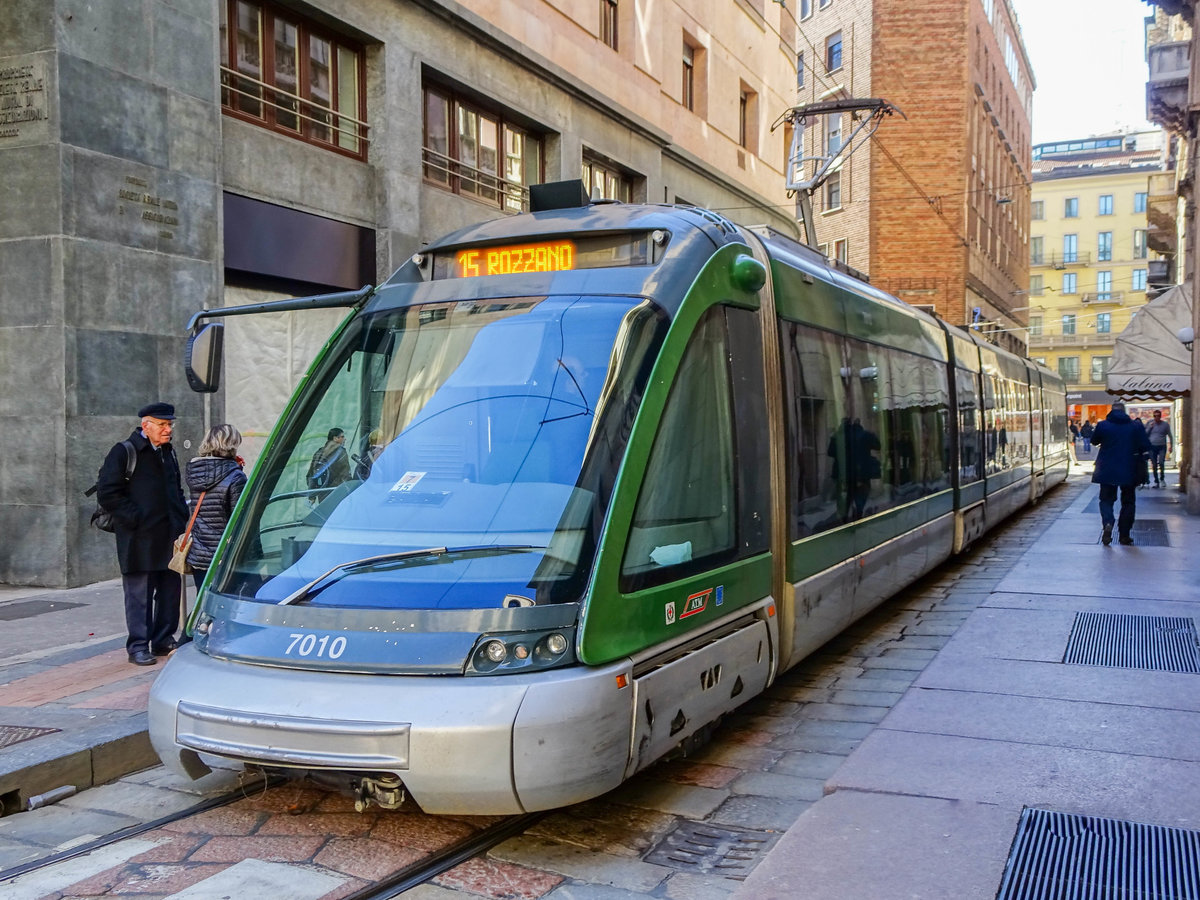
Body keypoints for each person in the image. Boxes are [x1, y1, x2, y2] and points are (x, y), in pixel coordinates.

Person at [96, 402, 189, 665]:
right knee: (140, 594)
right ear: (145, 425)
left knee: (170, 591)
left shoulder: (167, 452)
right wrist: (135, 518)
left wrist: (182, 519)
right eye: (162, 425)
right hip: (139, 538)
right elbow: (108, 493)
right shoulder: (125, 451)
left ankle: (163, 639)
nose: (168, 429)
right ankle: (138, 645)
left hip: (169, 534)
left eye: (170, 424)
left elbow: (176, 490)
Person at [185, 424, 248, 591]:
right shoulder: (235, 476)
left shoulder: (195, 472)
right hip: (225, 556)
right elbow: (240, 520)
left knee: (204, 604)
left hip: (200, 554)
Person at [1091, 401, 1153, 546]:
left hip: (1106, 468)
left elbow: (1094, 441)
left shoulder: (1103, 425)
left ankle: (1108, 522)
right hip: (1129, 468)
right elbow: (1145, 445)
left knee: (1106, 500)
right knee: (1128, 502)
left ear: (1111, 411)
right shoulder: (1135, 426)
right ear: (1124, 411)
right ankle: (1124, 534)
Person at [1144, 410, 1173, 488]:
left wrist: (1171, 446)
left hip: (1162, 446)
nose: (1156, 417)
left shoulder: (1165, 425)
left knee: (1161, 462)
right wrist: (1150, 427)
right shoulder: (1150, 423)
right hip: (1152, 446)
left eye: (1158, 416)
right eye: (1155, 416)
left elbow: (1170, 435)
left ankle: (1162, 478)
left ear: (1160, 416)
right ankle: (1156, 481)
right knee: (1154, 464)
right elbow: (1145, 434)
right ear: (1153, 416)